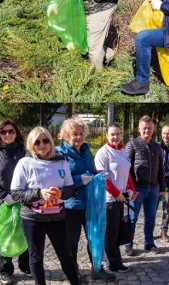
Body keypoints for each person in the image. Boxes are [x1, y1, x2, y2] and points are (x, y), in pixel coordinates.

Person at [9, 127, 81, 285]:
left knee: (66, 255)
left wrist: (60, 194)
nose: (42, 144)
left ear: (51, 141)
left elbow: (69, 188)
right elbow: (15, 193)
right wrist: (39, 194)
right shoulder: (25, 163)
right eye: (37, 142)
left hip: (58, 217)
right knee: (36, 257)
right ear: (31, 144)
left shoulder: (61, 161)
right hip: (33, 219)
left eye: (45, 140)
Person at [55, 117, 116, 281]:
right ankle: (73, 272)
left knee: (94, 238)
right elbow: (58, 179)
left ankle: (97, 268)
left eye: (81, 133)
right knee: (72, 242)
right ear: (66, 135)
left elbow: (91, 171)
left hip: (90, 203)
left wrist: (100, 175)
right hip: (71, 205)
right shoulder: (60, 153)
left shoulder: (86, 150)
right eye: (74, 134)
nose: (79, 137)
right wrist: (78, 180)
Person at [0, 118, 30, 285]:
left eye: (11, 131)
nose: (8, 134)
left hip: (23, 201)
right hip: (2, 203)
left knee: (25, 234)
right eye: (4, 132)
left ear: (16, 133)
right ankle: (5, 271)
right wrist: (3, 195)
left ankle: (26, 266)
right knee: (4, 237)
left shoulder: (25, 151)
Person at [94, 123, 136, 273]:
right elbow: (102, 177)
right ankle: (113, 263)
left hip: (120, 198)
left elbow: (128, 172)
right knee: (110, 234)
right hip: (109, 200)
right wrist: (116, 193)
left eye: (118, 134)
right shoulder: (103, 153)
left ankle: (115, 260)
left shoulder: (122, 151)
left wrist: (132, 188)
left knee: (117, 231)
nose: (115, 137)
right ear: (107, 135)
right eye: (112, 134)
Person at [124, 115, 166, 256]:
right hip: (137, 189)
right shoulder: (132, 145)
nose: (147, 130)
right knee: (132, 217)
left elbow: (161, 168)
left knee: (151, 217)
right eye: (144, 128)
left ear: (153, 129)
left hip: (153, 188)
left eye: (149, 128)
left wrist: (162, 189)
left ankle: (149, 243)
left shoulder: (156, 147)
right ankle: (128, 244)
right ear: (139, 129)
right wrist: (130, 188)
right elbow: (127, 169)